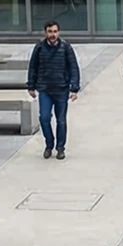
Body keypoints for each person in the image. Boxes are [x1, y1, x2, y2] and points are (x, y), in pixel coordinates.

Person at [26, 20, 81, 160]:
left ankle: (60, 148)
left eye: (55, 31)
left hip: (61, 89)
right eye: (50, 32)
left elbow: (73, 67)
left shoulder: (66, 47)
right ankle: (49, 144)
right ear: (45, 33)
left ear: (59, 32)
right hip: (44, 89)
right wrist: (31, 86)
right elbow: (33, 67)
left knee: (61, 120)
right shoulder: (39, 48)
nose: (53, 34)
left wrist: (74, 88)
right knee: (44, 118)